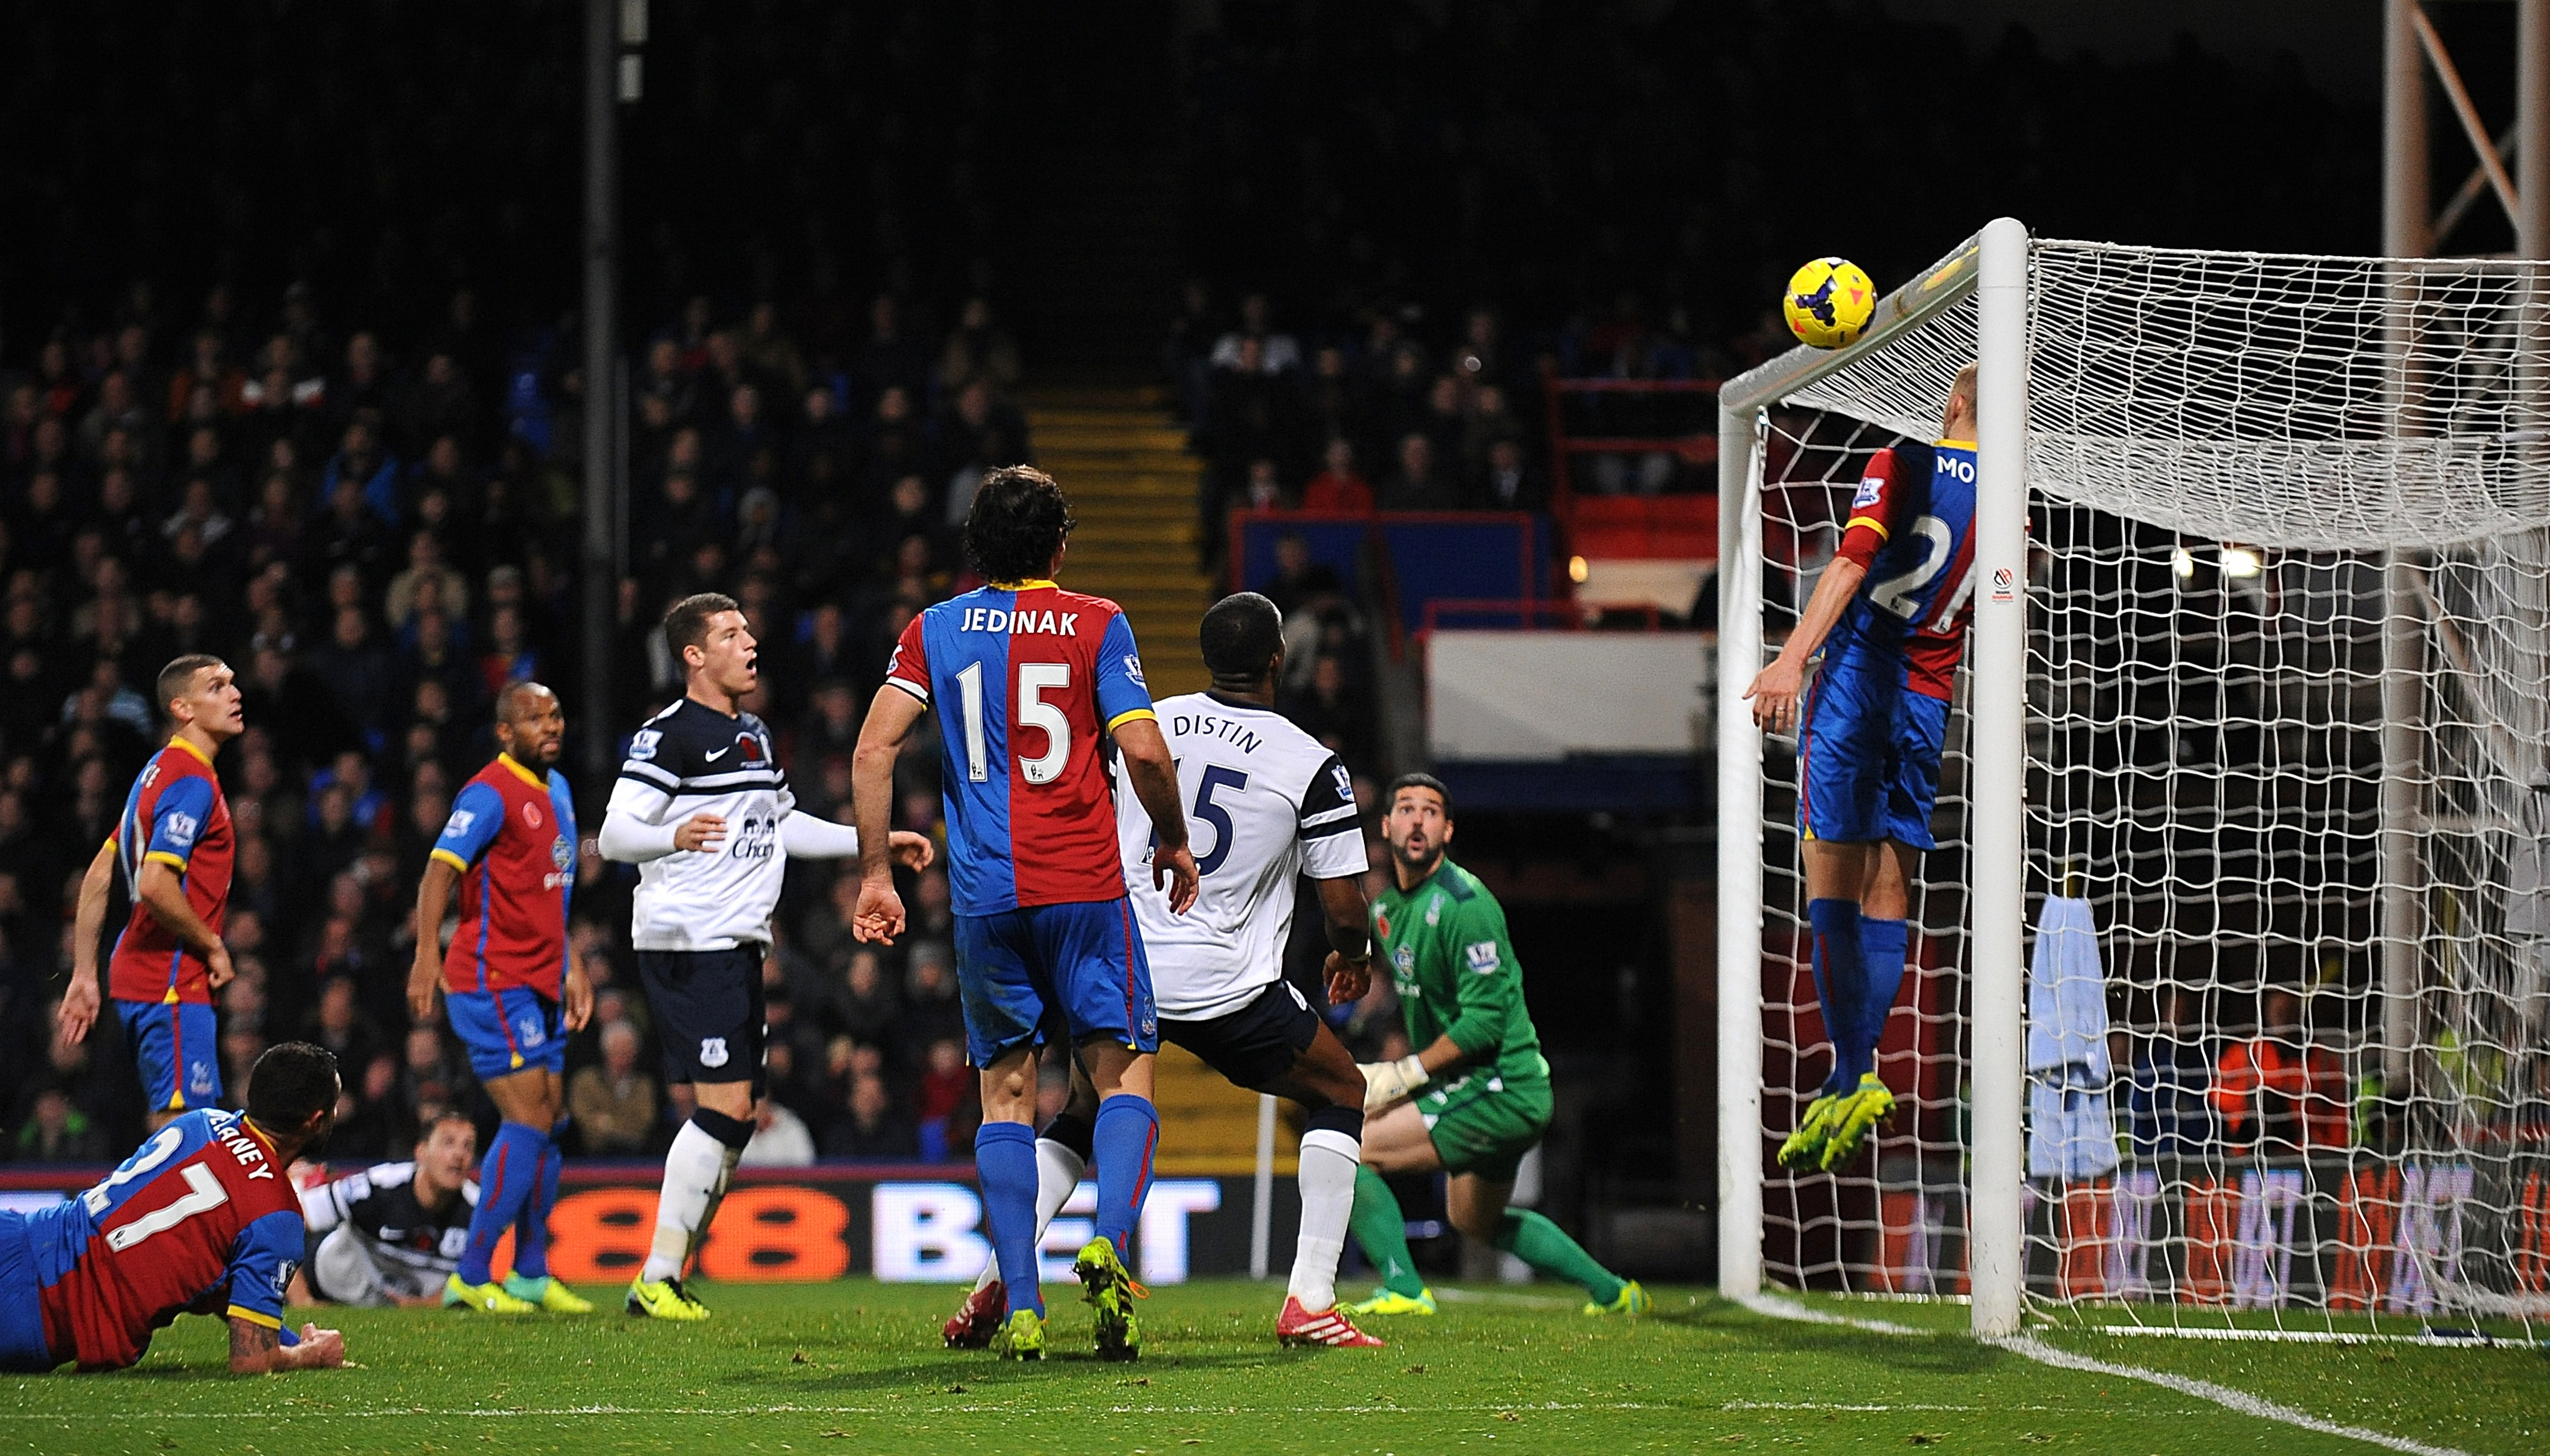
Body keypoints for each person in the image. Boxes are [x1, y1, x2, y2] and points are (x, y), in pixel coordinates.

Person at [941, 592, 1385, 1350]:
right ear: (1277, 659)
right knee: (1342, 1089)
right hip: (1226, 987)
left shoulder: (1146, 720)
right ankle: (1309, 1298)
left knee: (1079, 1116)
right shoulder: (1310, 762)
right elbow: (1342, 905)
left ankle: (995, 1283)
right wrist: (1354, 954)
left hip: (1116, 961)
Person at [851, 464, 1200, 1362]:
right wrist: (1171, 834)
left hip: (985, 899)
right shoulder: (1096, 622)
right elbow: (1146, 751)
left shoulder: (932, 628)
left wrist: (877, 873)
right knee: (1122, 1079)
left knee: (1005, 1097)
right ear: (1059, 545)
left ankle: (1024, 1304)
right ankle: (1111, 1247)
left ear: (977, 546)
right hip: (1084, 889)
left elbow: (873, 748)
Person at [599, 593, 933, 1320]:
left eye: (748, 630)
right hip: (691, 939)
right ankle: (656, 1273)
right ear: (694, 654)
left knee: (740, 1114)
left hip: (738, 942)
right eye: (730, 633)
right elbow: (618, 832)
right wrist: (672, 837)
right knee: (722, 1109)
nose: (750, 643)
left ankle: (668, 1272)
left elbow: (782, 826)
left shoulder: (751, 733)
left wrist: (873, 846)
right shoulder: (670, 736)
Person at [1743, 364, 1982, 1173]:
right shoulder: (2016, 493)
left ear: (1951, 403)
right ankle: (1862, 1065)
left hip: (1856, 685)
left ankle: (1851, 1070)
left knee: (1829, 880)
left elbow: (1850, 561)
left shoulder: (1902, 459)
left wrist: (1789, 661)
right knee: (1892, 878)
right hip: (1929, 698)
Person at [1347, 775, 1647, 1320]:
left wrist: (1404, 1073)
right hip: (1480, 1086)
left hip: (1501, 1086)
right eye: (1407, 809)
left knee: (1351, 1148)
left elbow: (1484, 1024)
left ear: (1448, 829)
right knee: (1474, 1219)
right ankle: (1614, 1292)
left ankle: (1405, 1289)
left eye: (1432, 811)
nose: (1418, 819)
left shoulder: (1466, 904)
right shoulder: (1388, 909)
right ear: (1387, 826)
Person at [403, 680, 594, 1315]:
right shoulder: (489, 791)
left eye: (556, 712)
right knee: (529, 1118)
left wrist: (571, 965)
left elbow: (550, 894)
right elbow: (438, 871)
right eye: (535, 717)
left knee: (552, 1119)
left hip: (542, 979)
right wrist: (427, 952)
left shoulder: (559, 790)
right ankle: (473, 1272)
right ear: (506, 733)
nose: (551, 724)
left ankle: (532, 1271)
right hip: (490, 978)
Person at [0, 1041, 348, 1374]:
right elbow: (252, 1360)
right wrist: (310, 1354)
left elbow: (211, 1269)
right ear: (314, 1121)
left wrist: (286, 1337)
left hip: (21, 1233)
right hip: (41, 1311)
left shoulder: (199, 1122)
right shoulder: (278, 1215)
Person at [56, 655, 245, 1128]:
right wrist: (213, 944)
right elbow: (155, 883)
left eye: (233, 684)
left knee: (181, 1129)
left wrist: (84, 973)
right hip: (172, 981)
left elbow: (100, 875)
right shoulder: (193, 782)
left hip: (141, 976)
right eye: (217, 686)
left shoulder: (156, 771)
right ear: (182, 707)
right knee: (185, 1133)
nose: (235, 694)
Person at [296, 1111, 479, 1307]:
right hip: (327, 1282)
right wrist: (302, 1300)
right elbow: (285, 1222)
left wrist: (422, 1305)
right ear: (421, 1152)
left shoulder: (479, 1212)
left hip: (396, 1303)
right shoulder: (378, 1187)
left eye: (468, 1146)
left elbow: (479, 1280)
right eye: (448, 1143)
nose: (460, 1154)